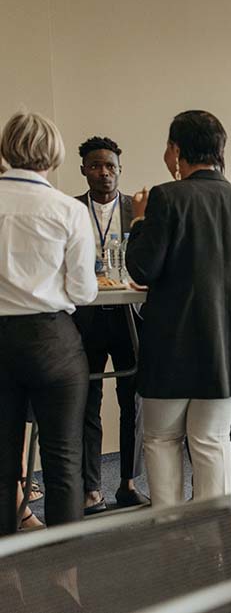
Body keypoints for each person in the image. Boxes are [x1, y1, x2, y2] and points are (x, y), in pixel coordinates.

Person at [125, 110, 231, 508]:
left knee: (161, 440)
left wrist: (138, 222)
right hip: (228, 347)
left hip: (172, 344)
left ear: (175, 150)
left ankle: (170, 534)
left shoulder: (165, 197)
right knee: (211, 441)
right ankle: (213, 540)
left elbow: (142, 267)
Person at [0, 112, 98, 535]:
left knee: (3, 464)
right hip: (52, 340)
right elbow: (83, 292)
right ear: (54, 154)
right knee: (63, 463)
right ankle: (65, 576)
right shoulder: (67, 210)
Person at [72, 136, 149, 513]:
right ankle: (91, 489)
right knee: (88, 401)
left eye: (111, 167)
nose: (104, 173)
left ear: (120, 169)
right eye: (96, 166)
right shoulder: (69, 210)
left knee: (131, 400)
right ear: (84, 169)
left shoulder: (137, 211)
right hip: (85, 319)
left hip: (127, 318)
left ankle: (128, 483)